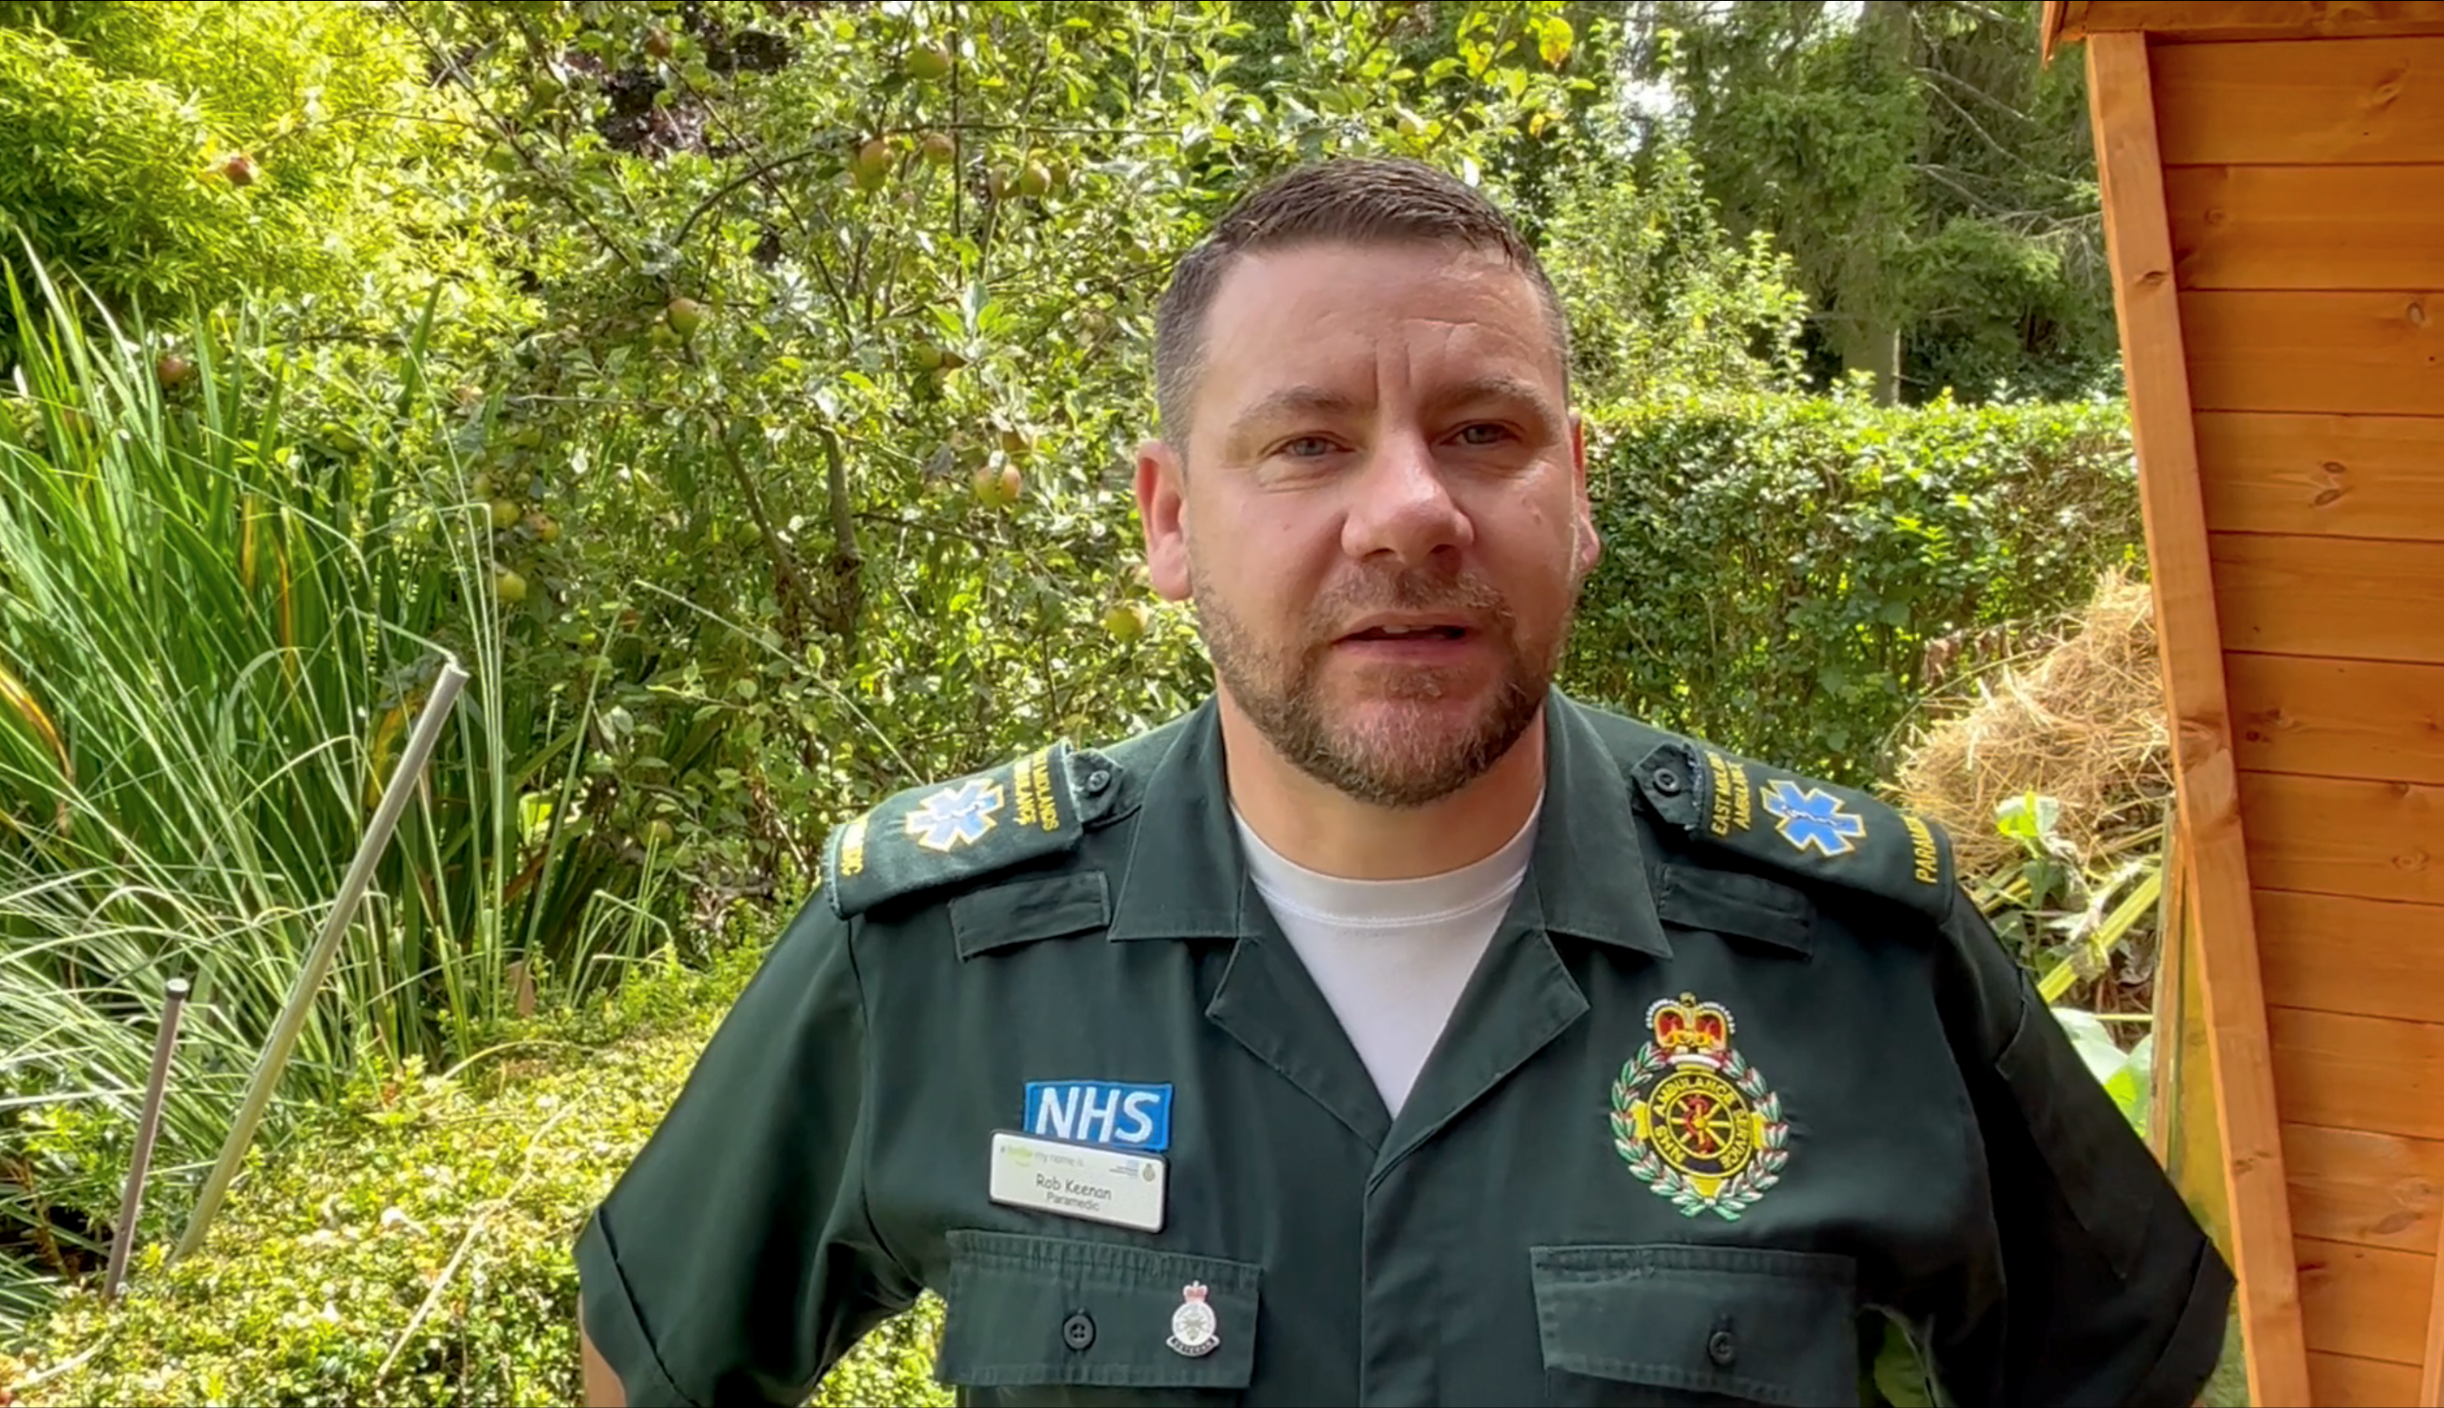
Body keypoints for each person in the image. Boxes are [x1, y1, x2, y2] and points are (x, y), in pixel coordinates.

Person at [573, 155, 2232, 1408]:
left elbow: (2138, 1370)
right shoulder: (931, 952)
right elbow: (643, 1361)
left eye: (1486, 435)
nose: (1411, 512)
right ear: (1168, 518)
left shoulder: (1865, 955)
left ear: (1576, 493)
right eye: (1307, 443)